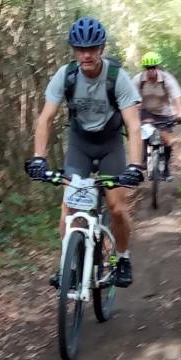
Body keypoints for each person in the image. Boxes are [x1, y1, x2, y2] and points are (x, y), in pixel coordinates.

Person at [25, 17, 145, 288]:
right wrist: (39, 158)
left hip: (110, 144)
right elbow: (45, 119)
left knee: (116, 208)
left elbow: (133, 125)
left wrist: (135, 165)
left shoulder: (117, 77)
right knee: (68, 207)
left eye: (92, 48)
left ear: (102, 48)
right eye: (80, 49)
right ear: (74, 50)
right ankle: (67, 266)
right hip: (80, 144)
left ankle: (122, 259)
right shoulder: (66, 75)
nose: (86, 55)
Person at [132, 51, 181, 180]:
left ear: (158, 67)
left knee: (166, 140)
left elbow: (177, 98)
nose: (150, 71)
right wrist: (132, 116)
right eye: (148, 68)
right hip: (146, 111)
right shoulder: (139, 80)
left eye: (153, 67)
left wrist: (178, 114)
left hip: (164, 113)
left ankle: (165, 168)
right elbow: (130, 97)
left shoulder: (167, 79)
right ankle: (143, 160)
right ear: (144, 68)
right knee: (143, 134)